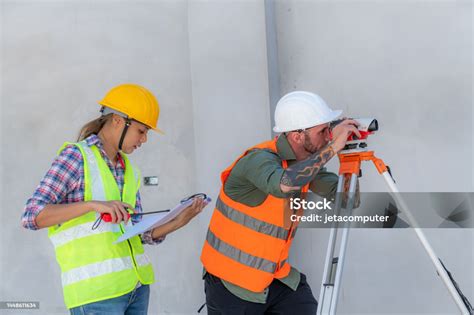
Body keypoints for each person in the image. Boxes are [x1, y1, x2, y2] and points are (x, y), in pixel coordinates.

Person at [22, 83, 207, 315]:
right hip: (96, 296)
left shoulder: (129, 169)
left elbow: (136, 233)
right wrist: (91, 205)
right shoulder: (76, 157)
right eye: (141, 130)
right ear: (118, 120)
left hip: (136, 289)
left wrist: (177, 222)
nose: (145, 139)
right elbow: (32, 216)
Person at [200, 91, 360, 314]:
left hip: (274, 278)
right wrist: (332, 148)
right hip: (232, 286)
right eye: (322, 131)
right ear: (297, 136)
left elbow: (348, 200)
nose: (328, 136)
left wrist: (349, 159)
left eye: (330, 129)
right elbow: (283, 184)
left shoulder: (306, 164)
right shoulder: (258, 160)